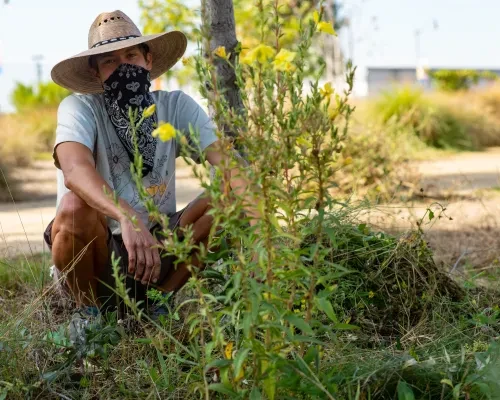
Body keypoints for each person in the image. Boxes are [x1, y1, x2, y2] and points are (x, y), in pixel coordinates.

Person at [47, 10, 256, 319]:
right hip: (100, 258)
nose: (123, 67)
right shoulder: (80, 108)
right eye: (109, 61)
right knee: (73, 207)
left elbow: (228, 162)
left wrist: (262, 228)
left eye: (131, 54)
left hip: (161, 250)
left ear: (147, 59)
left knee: (228, 199)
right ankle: (88, 315)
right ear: (96, 74)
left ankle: (159, 303)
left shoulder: (174, 105)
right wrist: (128, 218)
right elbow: (75, 171)